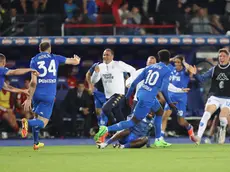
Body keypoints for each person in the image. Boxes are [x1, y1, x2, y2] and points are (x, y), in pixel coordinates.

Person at [95, 49, 177, 147]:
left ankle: (158, 139)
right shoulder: (167, 70)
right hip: (148, 97)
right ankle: (107, 129)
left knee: (159, 112)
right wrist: (170, 103)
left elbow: (133, 84)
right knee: (132, 122)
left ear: (158, 58)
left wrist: (127, 96)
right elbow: (164, 89)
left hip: (142, 93)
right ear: (168, 58)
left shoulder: (149, 68)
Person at [22, 42, 81, 150]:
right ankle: (27, 122)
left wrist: (29, 98)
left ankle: (36, 143)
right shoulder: (55, 58)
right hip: (48, 94)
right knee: (42, 122)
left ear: (40, 49)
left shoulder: (34, 60)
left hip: (36, 93)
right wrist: (77, 60)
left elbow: (33, 82)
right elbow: (73, 61)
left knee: (37, 116)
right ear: (50, 49)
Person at [192, 48, 230, 144]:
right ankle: (198, 137)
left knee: (222, 119)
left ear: (228, 58)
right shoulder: (214, 69)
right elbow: (201, 79)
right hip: (215, 97)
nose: (222, 58)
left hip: (227, 98)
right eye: (220, 56)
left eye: (224, 56)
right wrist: (195, 73)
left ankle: (222, 130)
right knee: (206, 114)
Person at [91, 48, 136, 127]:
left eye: (107, 55)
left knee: (105, 109)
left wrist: (129, 81)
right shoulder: (100, 67)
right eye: (104, 55)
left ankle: (114, 127)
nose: (105, 56)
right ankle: (126, 131)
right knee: (118, 115)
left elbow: (133, 70)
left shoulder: (118, 64)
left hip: (119, 94)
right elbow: (94, 81)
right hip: (108, 96)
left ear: (112, 56)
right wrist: (96, 72)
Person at [161, 55, 196, 141]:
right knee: (164, 116)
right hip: (171, 96)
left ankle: (189, 127)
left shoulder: (185, 72)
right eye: (175, 62)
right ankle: (160, 138)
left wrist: (184, 61)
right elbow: (162, 63)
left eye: (178, 62)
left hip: (181, 98)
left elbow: (192, 70)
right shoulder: (171, 69)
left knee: (181, 121)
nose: (176, 64)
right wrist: (172, 59)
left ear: (182, 63)